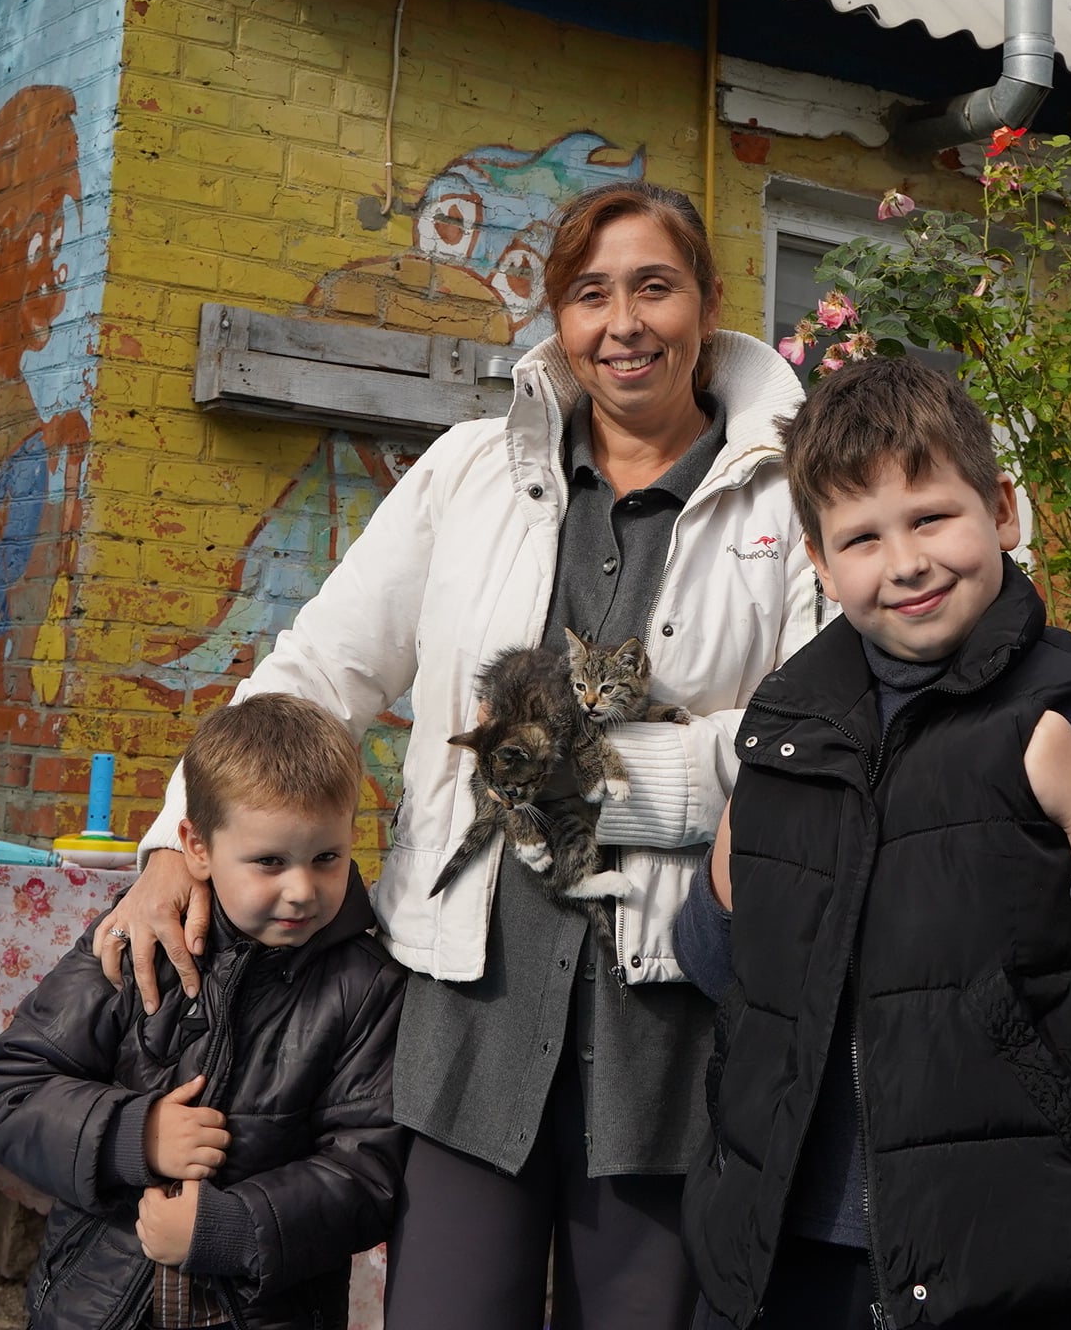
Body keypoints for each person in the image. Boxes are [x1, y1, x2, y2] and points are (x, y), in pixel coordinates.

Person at [93, 181, 819, 1327]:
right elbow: (316, 669)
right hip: (468, 1005)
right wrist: (170, 843)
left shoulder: (788, 493)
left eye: (652, 286)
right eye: (589, 294)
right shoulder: (472, 472)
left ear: (707, 302)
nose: (622, 322)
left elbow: (813, 744)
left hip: (668, 1023)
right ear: (558, 322)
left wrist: (620, 789)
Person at [676, 358, 1071, 1330]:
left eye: (930, 516)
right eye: (861, 537)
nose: (904, 561)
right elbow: (726, 976)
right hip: (784, 1258)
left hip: (1023, 1260)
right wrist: (722, 876)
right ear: (817, 559)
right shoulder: (792, 721)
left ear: (1001, 509)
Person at [0, 695, 407, 1330]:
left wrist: (231, 1228)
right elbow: (7, 1092)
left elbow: (368, 1170)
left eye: (327, 858)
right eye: (269, 861)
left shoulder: (367, 987)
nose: (302, 889)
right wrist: (133, 1135)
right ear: (196, 847)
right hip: (93, 1305)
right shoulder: (134, 940)